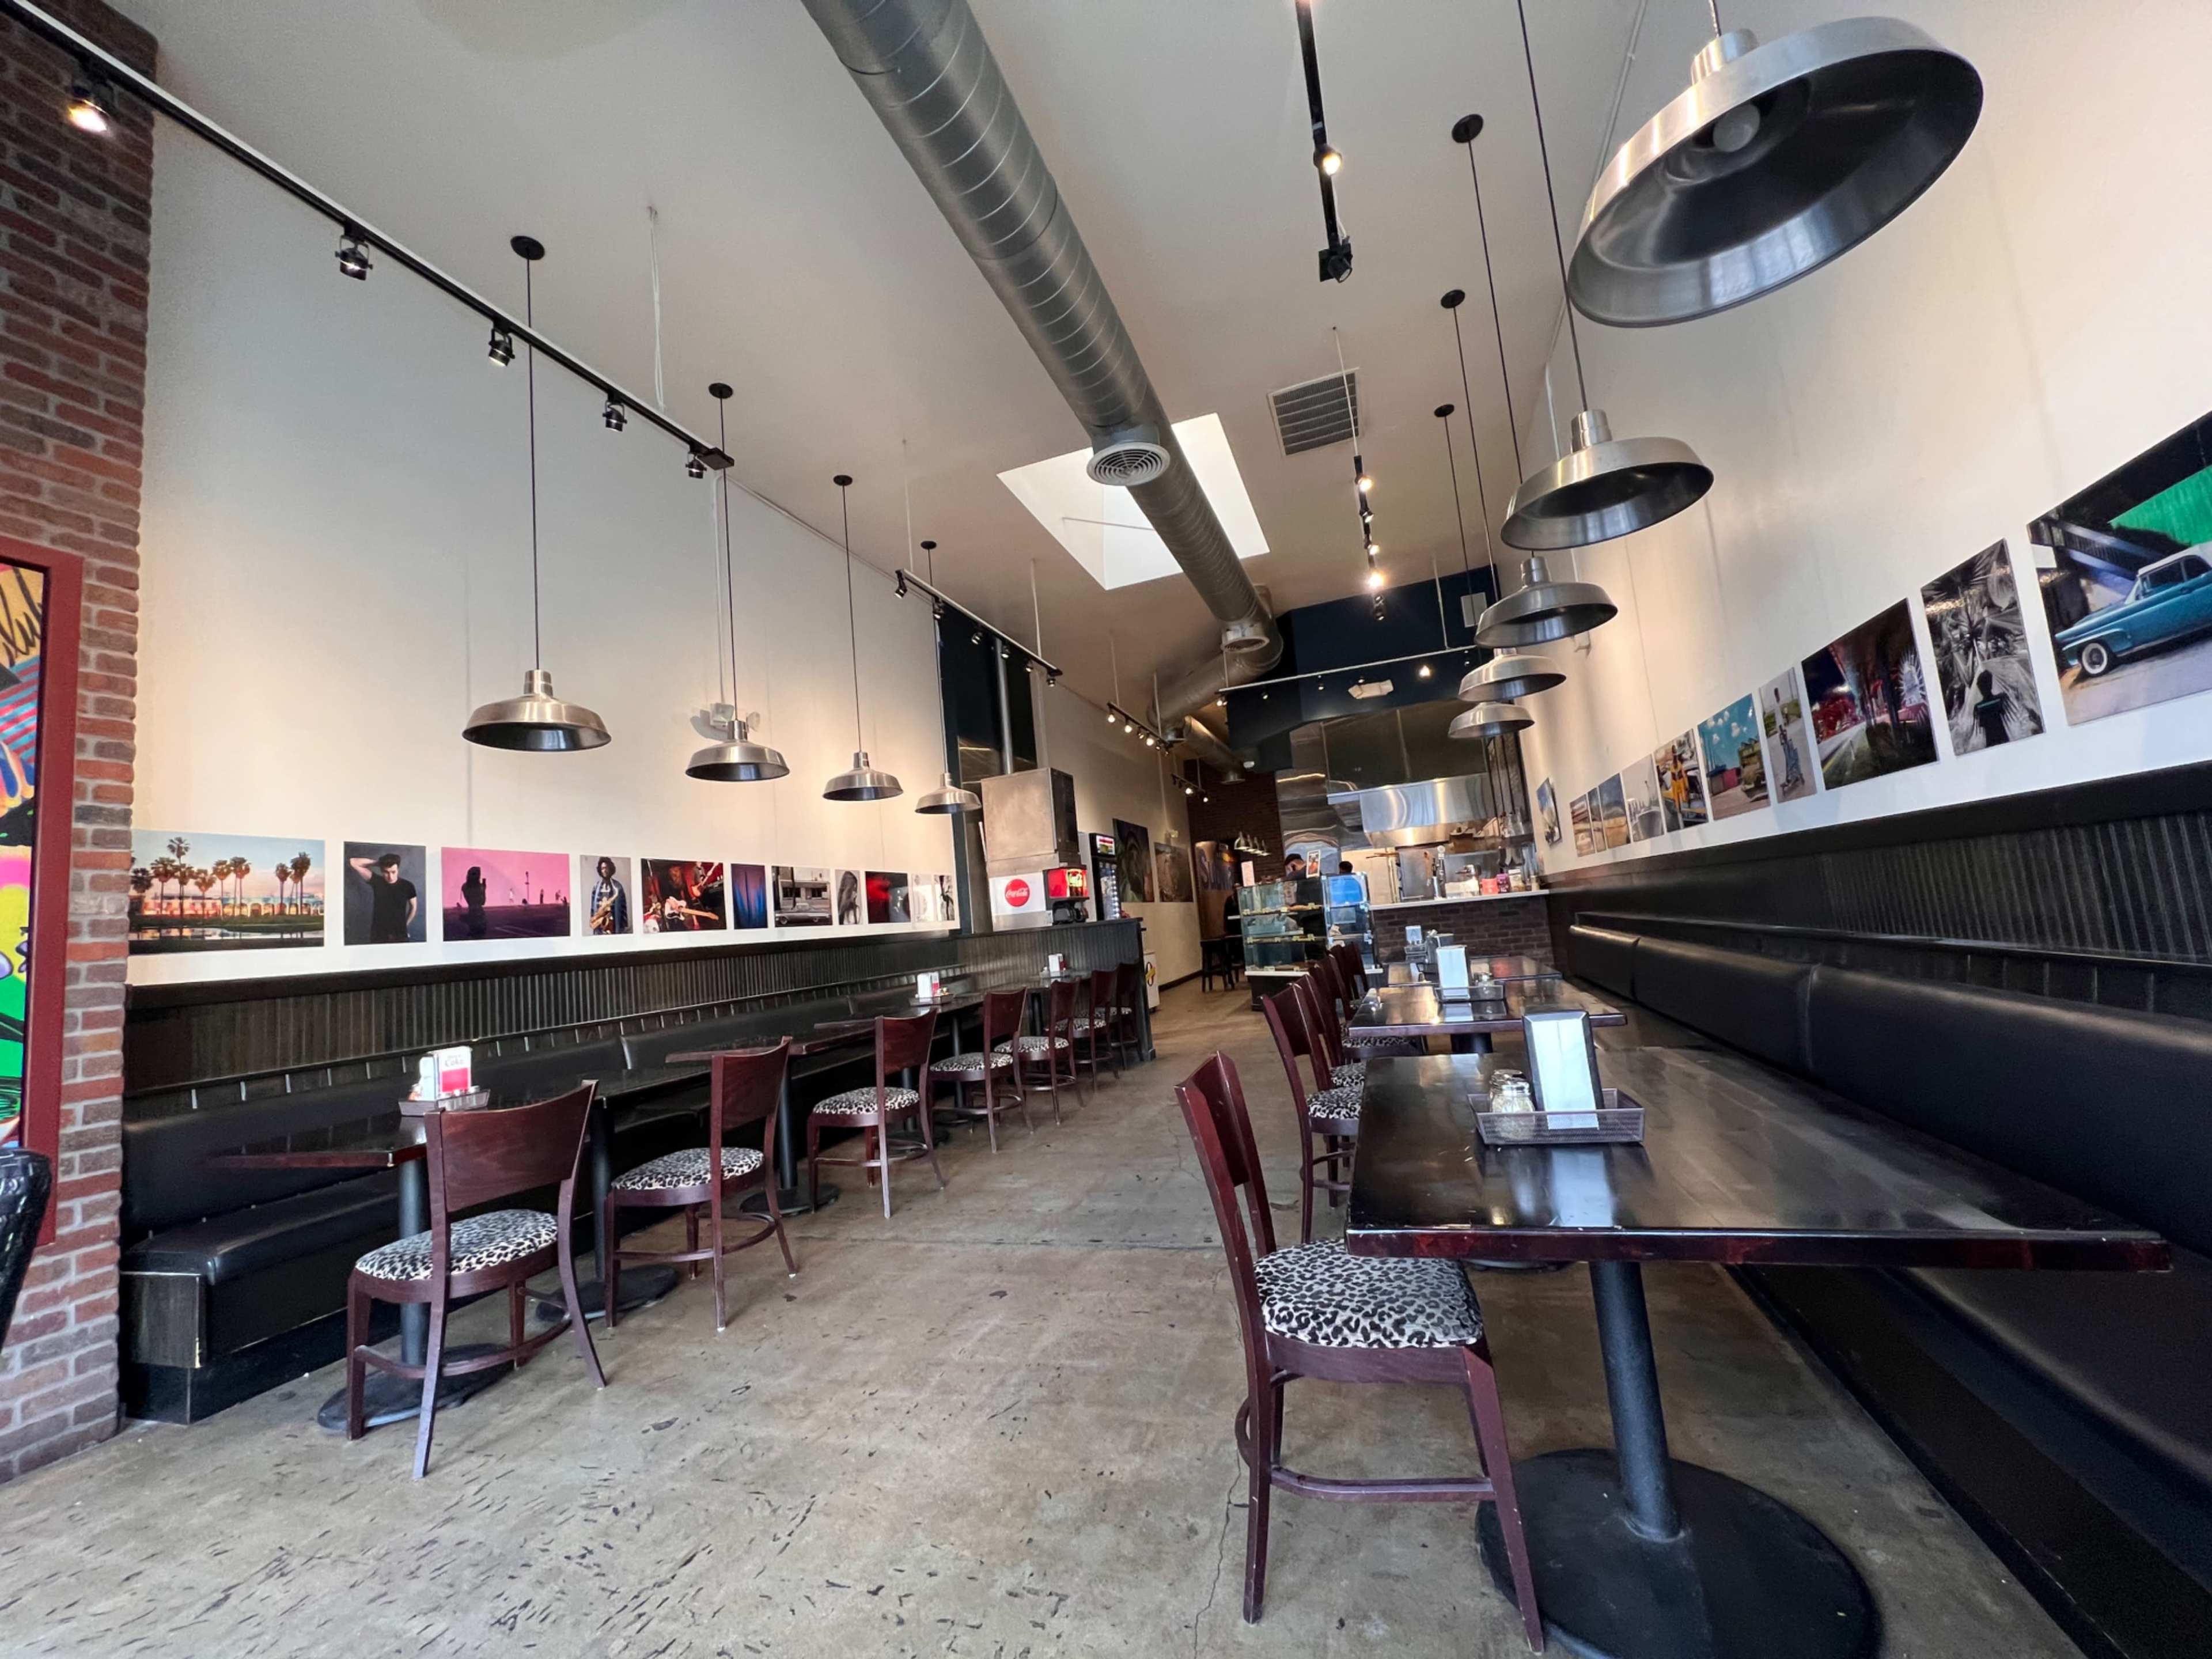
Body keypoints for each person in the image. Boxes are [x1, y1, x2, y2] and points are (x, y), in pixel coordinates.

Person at [349, 850, 418, 944]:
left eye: (394, 872)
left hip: (401, 935)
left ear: (398, 869)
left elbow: (413, 907)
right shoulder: (377, 882)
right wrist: (378, 863)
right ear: (381, 870)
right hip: (378, 935)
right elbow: (353, 862)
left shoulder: (408, 886)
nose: (391, 876)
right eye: (386, 872)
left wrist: (405, 926)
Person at [1971, 667, 2013, 749]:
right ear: (1991, 685)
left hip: (1990, 741)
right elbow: (2005, 713)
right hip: (2003, 738)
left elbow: (1981, 727)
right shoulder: (2000, 699)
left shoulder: (1979, 707)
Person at [587, 857, 629, 935]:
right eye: (603, 868)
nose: (605, 871)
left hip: (613, 926)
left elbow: (623, 909)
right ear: (600, 870)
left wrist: (622, 929)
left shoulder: (618, 887)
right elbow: (593, 910)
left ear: (611, 869)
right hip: (600, 926)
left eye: (607, 868)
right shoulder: (596, 888)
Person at [459, 865, 488, 940]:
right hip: (480, 915)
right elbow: (483, 902)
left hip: (471, 913)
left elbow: (469, 899)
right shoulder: (480, 888)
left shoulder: (464, 887)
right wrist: (483, 890)